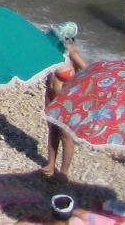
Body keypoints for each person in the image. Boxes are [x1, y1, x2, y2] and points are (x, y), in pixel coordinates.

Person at [42, 22, 86, 179]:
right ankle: (50, 164)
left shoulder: (72, 52)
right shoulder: (53, 52)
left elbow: (87, 70)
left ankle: (64, 172)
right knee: (52, 130)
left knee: (66, 136)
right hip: (50, 95)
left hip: (65, 98)